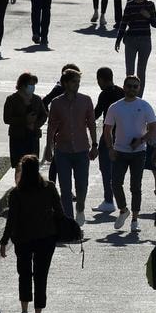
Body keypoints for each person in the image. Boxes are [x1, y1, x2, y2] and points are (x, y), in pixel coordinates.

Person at [0, 155, 59, 313]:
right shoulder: (49, 188)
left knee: (24, 274)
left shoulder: (16, 193)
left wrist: (4, 241)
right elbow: (60, 211)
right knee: (41, 276)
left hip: (22, 238)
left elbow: (11, 219)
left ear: (22, 172)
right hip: (46, 238)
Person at [103, 75, 156, 233]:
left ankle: (134, 218)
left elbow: (153, 128)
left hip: (138, 152)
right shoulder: (115, 107)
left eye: (135, 86)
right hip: (119, 151)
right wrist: (110, 148)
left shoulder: (144, 105)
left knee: (136, 186)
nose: (132, 89)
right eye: (129, 86)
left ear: (139, 88)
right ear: (124, 87)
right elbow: (107, 130)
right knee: (115, 183)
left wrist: (141, 140)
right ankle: (123, 209)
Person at [43, 68, 98, 223]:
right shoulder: (56, 102)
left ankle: (80, 207)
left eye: (78, 82)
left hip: (82, 150)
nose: (77, 85)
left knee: (82, 186)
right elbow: (52, 126)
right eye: (74, 82)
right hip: (63, 150)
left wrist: (94, 145)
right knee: (65, 189)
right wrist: (49, 147)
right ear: (65, 83)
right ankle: (69, 221)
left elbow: (92, 124)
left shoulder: (86, 100)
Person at [113, 0, 156, 93]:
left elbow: (155, 24)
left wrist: (148, 16)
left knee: (141, 71)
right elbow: (123, 23)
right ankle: (128, 94)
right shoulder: (130, 5)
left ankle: (139, 96)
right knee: (130, 70)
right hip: (131, 40)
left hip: (145, 40)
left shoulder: (150, 5)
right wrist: (118, 40)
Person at [3, 72, 47, 170]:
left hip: (33, 136)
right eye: (30, 85)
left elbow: (44, 115)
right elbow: (7, 119)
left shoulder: (37, 99)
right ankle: (19, 184)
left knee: (33, 166)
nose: (32, 87)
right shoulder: (12, 99)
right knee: (19, 165)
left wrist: (35, 125)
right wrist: (25, 120)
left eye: (34, 85)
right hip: (18, 137)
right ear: (22, 85)